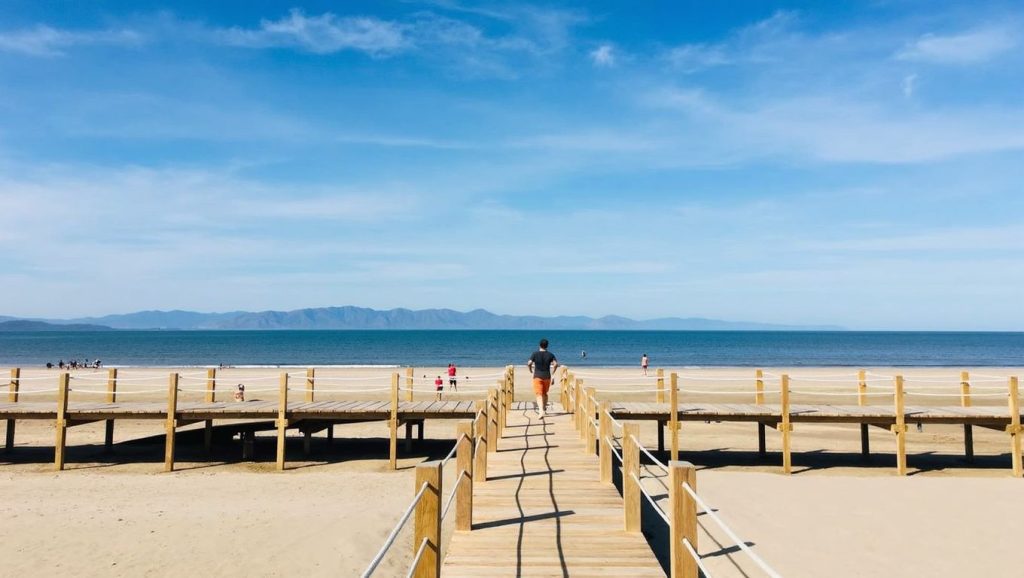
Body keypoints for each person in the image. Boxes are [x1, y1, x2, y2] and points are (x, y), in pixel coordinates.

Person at [527, 338, 558, 419]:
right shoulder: (551, 355)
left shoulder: (535, 354)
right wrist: (553, 373)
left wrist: (530, 369)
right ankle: (544, 408)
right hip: (547, 376)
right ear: (547, 346)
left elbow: (529, 363)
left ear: (539, 345)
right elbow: (555, 364)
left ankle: (541, 411)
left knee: (539, 394)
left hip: (537, 376)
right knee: (545, 393)